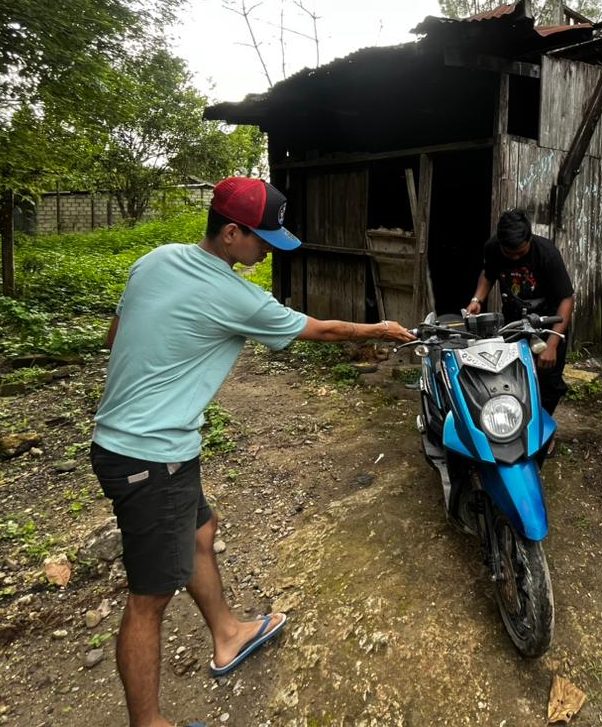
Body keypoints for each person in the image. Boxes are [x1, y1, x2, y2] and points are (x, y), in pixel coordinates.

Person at [90, 176, 415, 727]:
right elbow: (324, 330)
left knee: (201, 533)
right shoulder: (231, 294)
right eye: (262, 240)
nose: (268, 250)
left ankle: (228, 633)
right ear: (231, 233)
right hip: (150, 456)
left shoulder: (156, 259)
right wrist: (382, 328)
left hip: (142, 445)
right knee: (148, 601)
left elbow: (115, 337)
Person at [466, 209, 575, 419]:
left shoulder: (547, 253)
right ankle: (513, 424)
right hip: (513, 322)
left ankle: (543, 429)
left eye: (520, 253)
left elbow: (567, 299)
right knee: (511, 375)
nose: (515, 258)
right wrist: (476, 300)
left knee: (547, 380)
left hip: (548, 322)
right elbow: (488, 275)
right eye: (510, 254)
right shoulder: (493, 248)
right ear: (500, 244)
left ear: (530, 239)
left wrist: (552, 345)